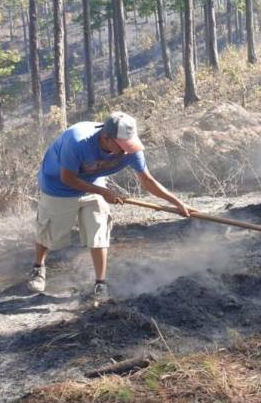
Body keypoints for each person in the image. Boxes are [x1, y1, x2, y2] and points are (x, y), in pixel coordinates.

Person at [28, 112, 191, 300]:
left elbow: (147, 181)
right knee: (49, 234)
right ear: (105, 138)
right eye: (121, 147)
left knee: (99, 231)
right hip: (58, 187)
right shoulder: (77, 141)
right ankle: (38, 268)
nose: (126, 152)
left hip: (94, 183)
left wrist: (178, 203)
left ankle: (100, 283)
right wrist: (104, 192)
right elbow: (68, 178)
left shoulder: (130, 148)